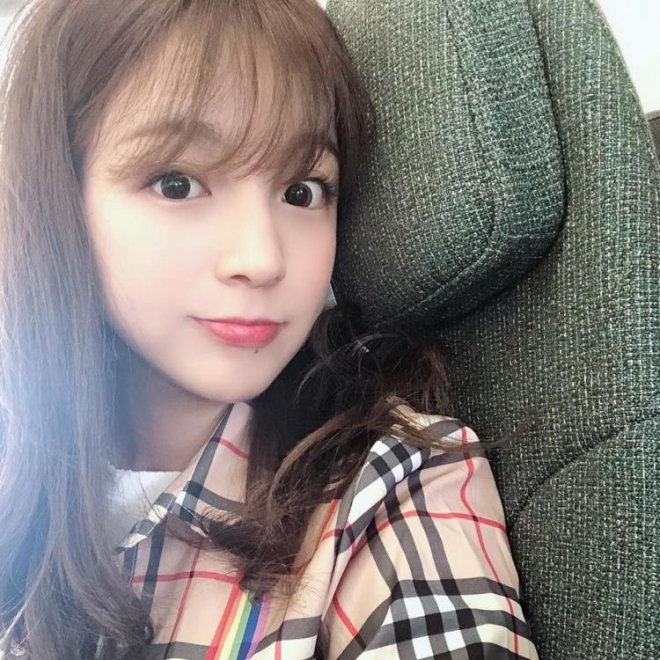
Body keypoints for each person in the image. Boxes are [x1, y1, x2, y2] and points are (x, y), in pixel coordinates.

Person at [0, 1, 539, 658]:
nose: (261, 259)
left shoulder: (393, 483)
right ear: (58, 200)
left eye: (302, 191)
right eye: (177, 183)